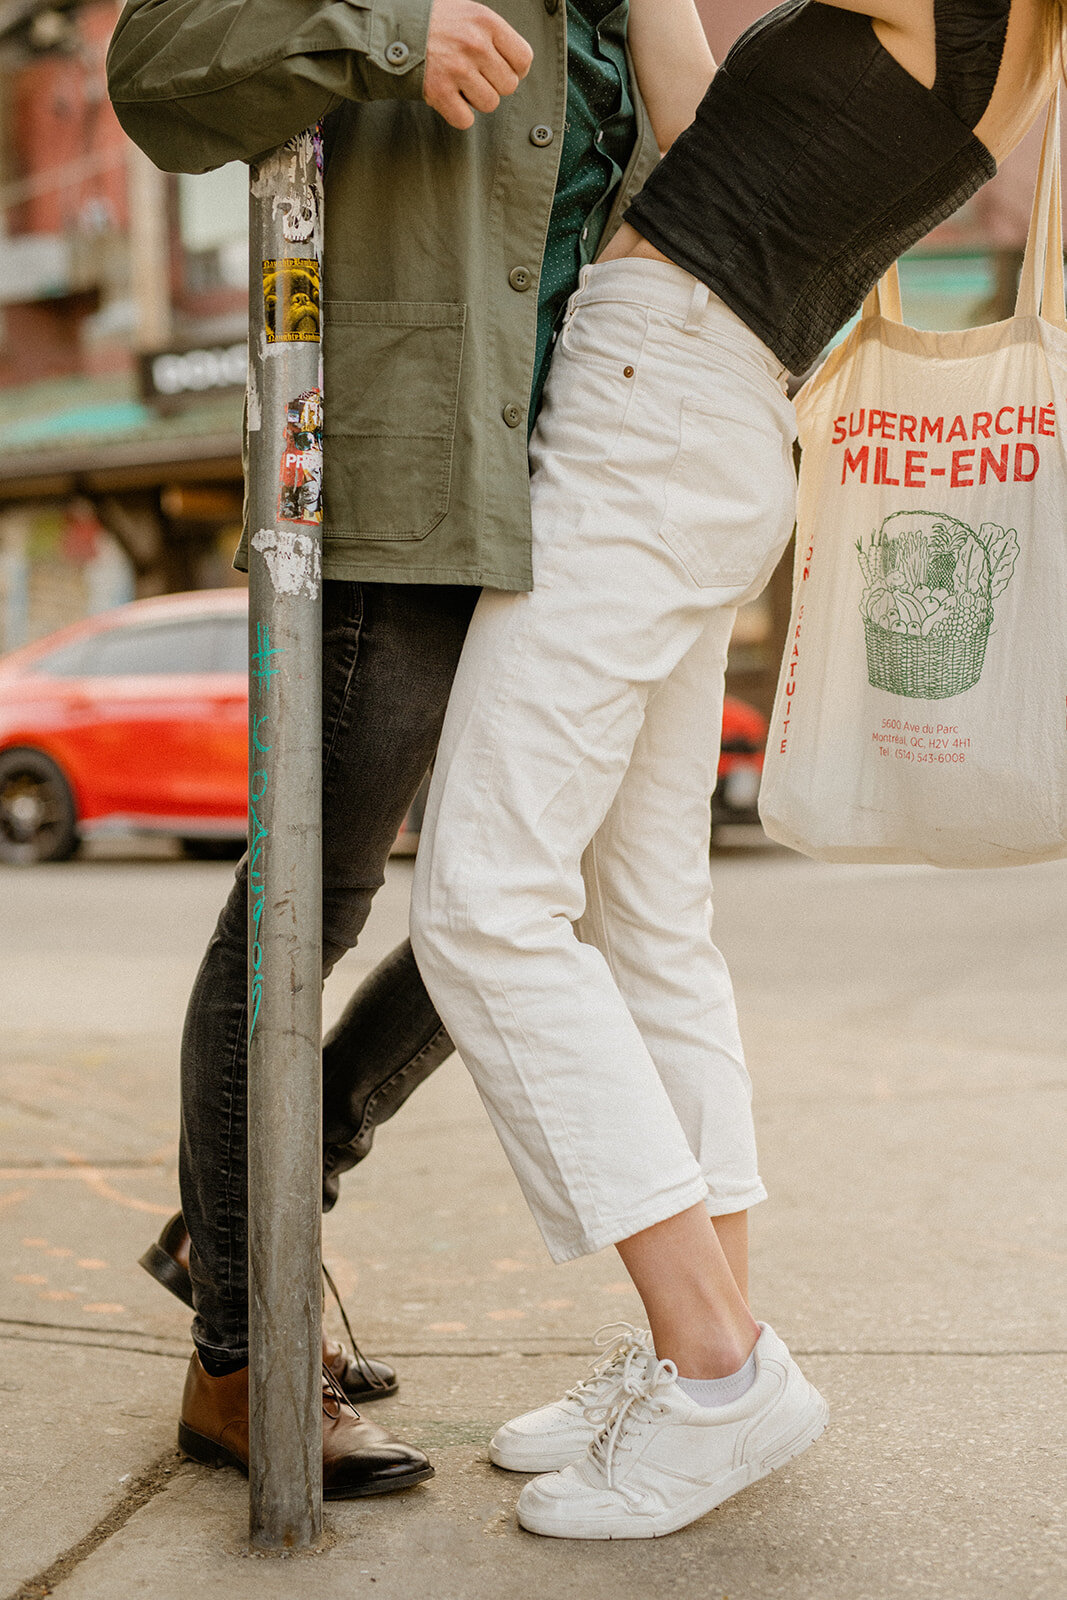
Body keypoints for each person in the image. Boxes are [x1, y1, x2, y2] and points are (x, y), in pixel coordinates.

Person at [409, 0, 1066, 1539]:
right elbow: (705, 126)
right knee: (648, 926)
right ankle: (695, 1356)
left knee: (483, 904)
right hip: (701, 415)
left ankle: (719, 1371)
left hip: (657, 412)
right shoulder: (1001, 50)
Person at [107, 0, 715, 1495]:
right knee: (307, 900)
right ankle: (244, 1360)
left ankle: (250, 1208)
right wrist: (389, 31)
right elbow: (151, 68)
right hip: (393, 475)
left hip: (565, 494)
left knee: (517, 900)